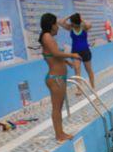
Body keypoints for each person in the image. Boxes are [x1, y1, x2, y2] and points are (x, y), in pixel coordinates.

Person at [39, 13, 81, 142]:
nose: (58, 27)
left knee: (59, 107)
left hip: (59, 77)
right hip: (55, 77)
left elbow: (54, 56)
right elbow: (56, 53)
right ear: (51, 25)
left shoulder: (49, 37)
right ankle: (59, 135)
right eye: (56, 24)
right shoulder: (47, 36)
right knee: (56, 108)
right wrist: (72, 55)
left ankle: (61, 132)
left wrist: (66, 62)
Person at [59, 13, 94, 90]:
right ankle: (79, 89)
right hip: (75, 52)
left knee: (89, 70)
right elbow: (60, 22)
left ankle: (93, 87)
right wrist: (69, 15)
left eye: (75, 23)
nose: (74, 25)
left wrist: (82, 19)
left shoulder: (84, 27)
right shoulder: (70, 28)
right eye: (73, 23)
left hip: (85, 51)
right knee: (77, 69)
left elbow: (89, 25)